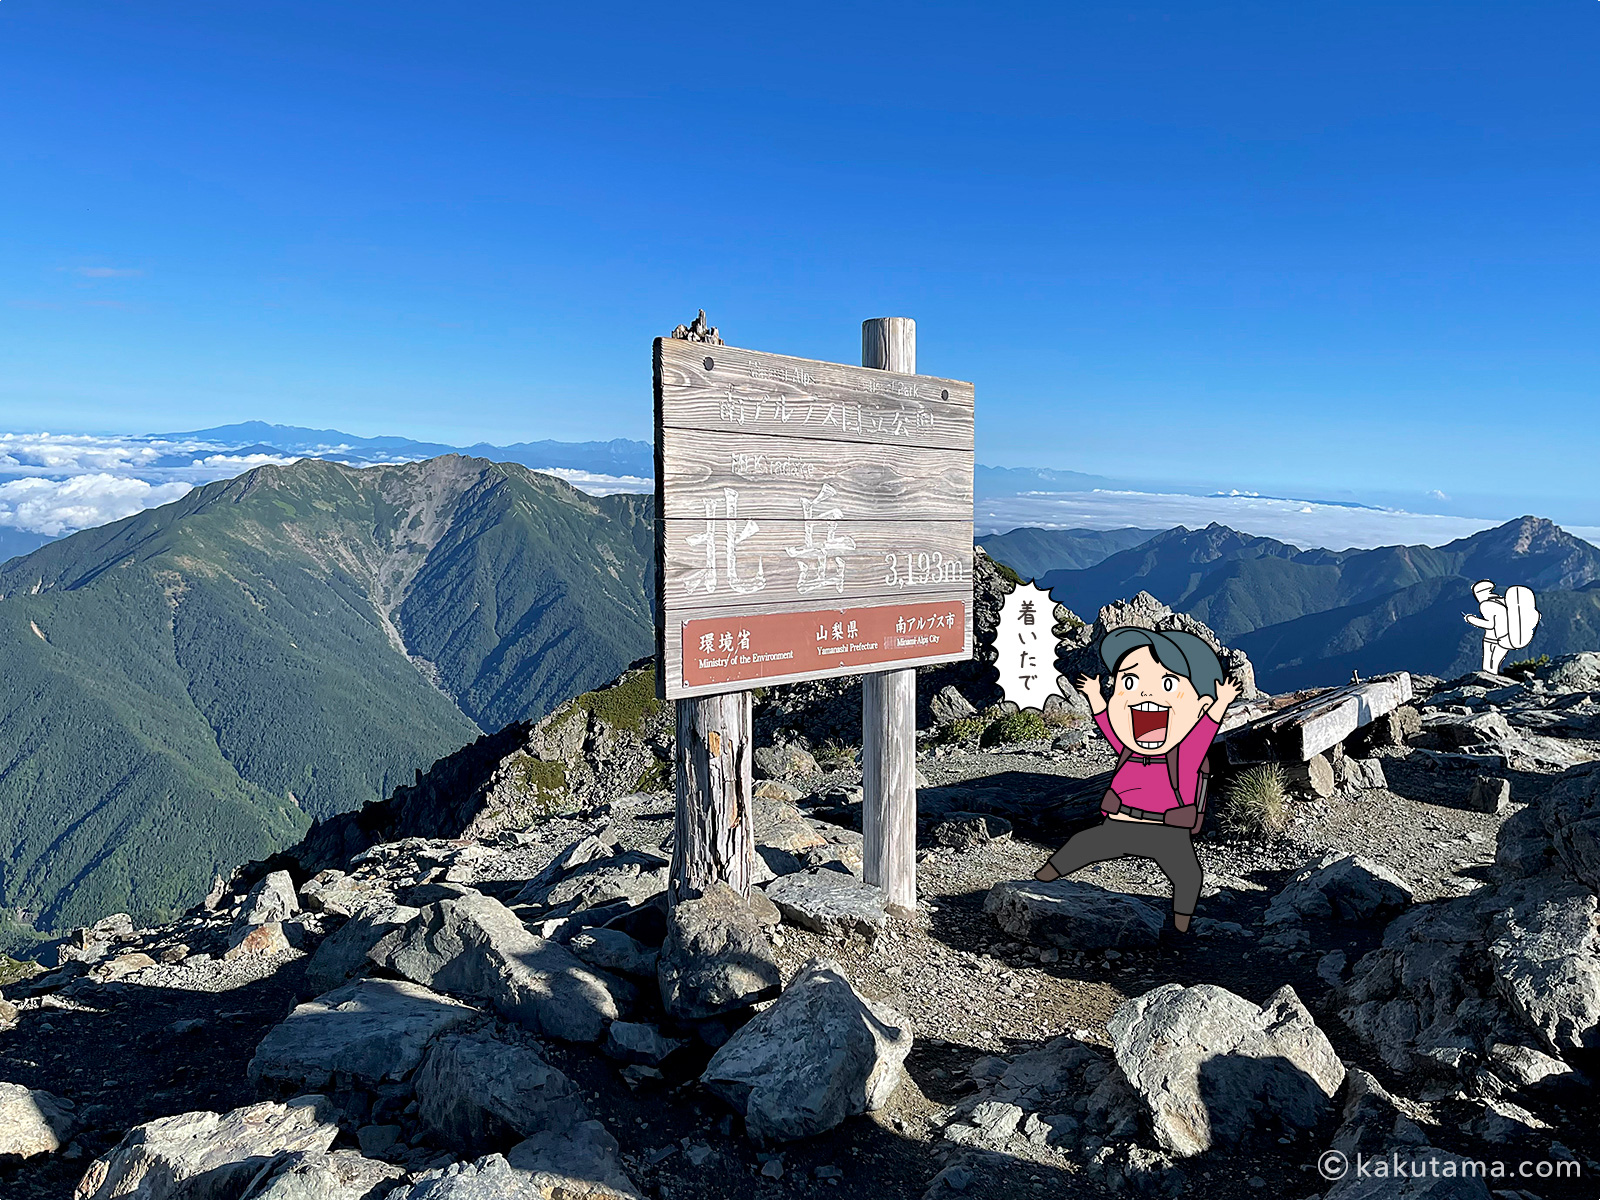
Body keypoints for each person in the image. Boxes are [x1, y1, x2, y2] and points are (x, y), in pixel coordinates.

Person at [1034, 627, 1240, 933]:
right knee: (1084, 844)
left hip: (1165, 831)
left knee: (1187, 876)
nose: (1144, 693)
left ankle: (1181, 926)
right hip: (1124, 824)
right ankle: (1040, 881)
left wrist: (1221, 703)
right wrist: (1093, 696)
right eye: (1128, 682)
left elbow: (1205, 729)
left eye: (1168, 683)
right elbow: (1109, 727)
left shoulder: (1185, 752)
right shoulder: (1130, 747)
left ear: (1201, 705)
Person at [1463, 580, 1512, 673]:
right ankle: (1495, 682)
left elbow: (1490, 624)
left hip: (1492, 639)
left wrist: (1471, 619)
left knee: (1488, 665)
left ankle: (1490, 682)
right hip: (1506, 638)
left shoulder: (1486, 605)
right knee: (1495, 664)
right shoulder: (1501, 601)